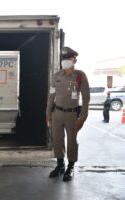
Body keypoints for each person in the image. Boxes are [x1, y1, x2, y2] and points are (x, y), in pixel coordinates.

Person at [46, 46, 90, 182]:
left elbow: (86, 98)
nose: (65, 61)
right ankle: (60, 165)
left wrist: (82, 118)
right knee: (57, 140)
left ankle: (70, 167)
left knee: (71, 141)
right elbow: (51, 96)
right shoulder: (57, 76)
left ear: (74, 60)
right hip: (57, 113)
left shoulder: (80, 76)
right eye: (63, 59)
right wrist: (48, 113)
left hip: (72, 115)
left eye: (68, 58)